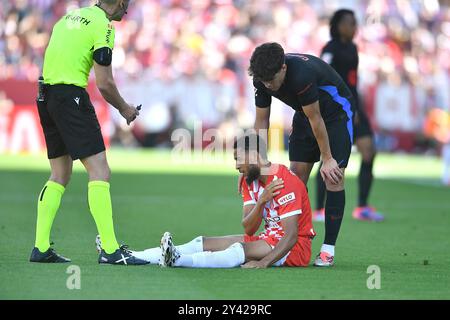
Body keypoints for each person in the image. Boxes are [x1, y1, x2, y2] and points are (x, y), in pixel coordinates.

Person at [30, 0, 147, 265]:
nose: (126, 12)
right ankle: (110, 250)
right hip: (70, 96)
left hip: (44, 95)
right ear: (118, 3)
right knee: (100, 170)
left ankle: (40, 247)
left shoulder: (70, 18)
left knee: (59, 174)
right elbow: (104, 83)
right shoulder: (103, 26)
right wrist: (125, 109)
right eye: (125, 5)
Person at [97, 133, 316, 268]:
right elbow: (249, 229)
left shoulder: (286, 182)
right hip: (269, 238)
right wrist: (261, 202)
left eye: (239, 159)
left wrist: (263, 263)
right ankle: (128, 257)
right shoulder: (250, 180)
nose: (236, 166)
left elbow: (291, 236)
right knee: (202, 242)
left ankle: (178, 260)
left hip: (295, 249)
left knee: (237, 250)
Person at [248, 42, 353, 267]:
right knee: (295, 180)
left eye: (271, 80)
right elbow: (261, 120)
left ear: (283, 69)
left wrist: (327, 158)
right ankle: (291, 240)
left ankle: (327, 250)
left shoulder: (301, 75)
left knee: (333, 178)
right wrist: (259, 158)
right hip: (305, 116)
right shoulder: (262, 77)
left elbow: (318, 118)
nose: (268, 85)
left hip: (335, 116)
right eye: (263, 81)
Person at [314, 9, 384, 222]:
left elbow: (352, 82)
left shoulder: (353, 48)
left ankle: (362, 206)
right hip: (336, 107)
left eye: (355, 23)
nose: (354, 28)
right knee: (331, 156)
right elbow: (319, 74)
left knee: (369, 150)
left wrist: (355, 108)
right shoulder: (330, 49)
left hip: (353, 106)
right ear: (338, 26)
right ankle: (319, 209)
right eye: (349, 24)